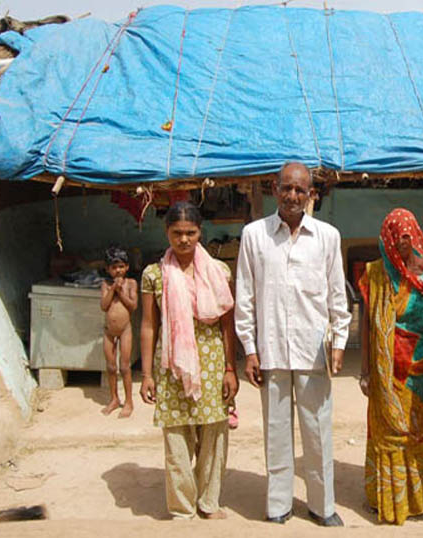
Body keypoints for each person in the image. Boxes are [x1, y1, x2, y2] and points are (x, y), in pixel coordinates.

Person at [235, 162, 351, 527]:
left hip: (313, 348)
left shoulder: (328, 236)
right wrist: (249, 348)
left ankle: (322, 506)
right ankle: (278, 505)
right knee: (276, 432)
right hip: (271, 349)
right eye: (287, 188)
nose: (293, 196)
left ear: (311, 194)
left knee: (317, 430)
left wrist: (340, 342)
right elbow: (245, 297)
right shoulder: (254, 235)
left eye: (301, 190)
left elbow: (337, 295)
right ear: (275, 189)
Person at [139, 201, 239, 520]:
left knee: (214, 435)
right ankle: (182, 506)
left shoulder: (219, 271)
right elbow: (148, 325)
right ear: (167, 232)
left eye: (191, 233)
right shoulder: (154, 275)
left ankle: (209, 502)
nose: (184, 240)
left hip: (212, 363)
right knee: (176, 437)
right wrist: (147, 374)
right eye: (177, 233)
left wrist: (230, 369)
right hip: (171, 365)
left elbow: (227, 323)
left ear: (200, 233)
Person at [358, 208, 423, 525]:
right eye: (396, 237)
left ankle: (418, 499)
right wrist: (366, 371)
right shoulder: (375, 275)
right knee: (388, 437)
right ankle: (385, 499)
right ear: (387, 240)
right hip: (386, 374)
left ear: (416, 235)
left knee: (421, 436)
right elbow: (367, 325)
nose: (402, 242)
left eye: (407, 235)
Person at [100, 245, 138, 418]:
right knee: (110, 366)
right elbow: (104, 306)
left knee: (124, 366)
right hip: (109, 331)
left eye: (121, 266)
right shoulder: (105, 285)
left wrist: (121, 292)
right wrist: (112, 290)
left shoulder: (131, 284)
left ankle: (128, 401)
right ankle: (114, 398)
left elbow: (133, 306)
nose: (118, 270)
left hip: (125, 330)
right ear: (108, 269)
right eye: (114, 267)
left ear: (127, 267)